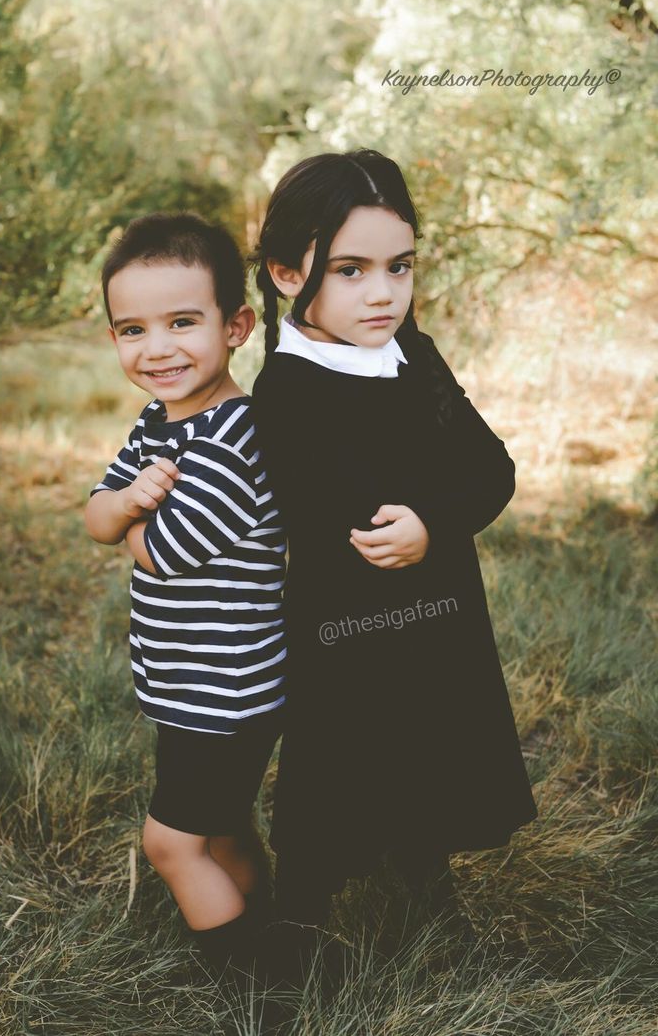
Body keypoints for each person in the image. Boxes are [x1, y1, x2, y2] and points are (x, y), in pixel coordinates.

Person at [248, 149, 539, 962]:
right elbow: (328, 506)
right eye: (349, 269)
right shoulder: (289, 388)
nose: (382, 292)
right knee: (335, 766)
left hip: (438, 610)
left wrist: (433, 523)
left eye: (399, 265)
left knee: (431, 745)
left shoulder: (417, 356)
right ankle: (301, 910)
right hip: (344, 627)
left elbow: (491, 468)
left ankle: (427, 881)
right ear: (284, 271)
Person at [84, 211, 287, 979]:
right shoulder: (157, 421)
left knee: (171, 841)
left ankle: (257, 987)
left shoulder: (236, 438)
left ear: (235, 325)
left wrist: (133, 513)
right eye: (132, 328)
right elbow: (96, 516)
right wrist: (132, 501)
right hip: (186, 683)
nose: (157, 347)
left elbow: (157, 553)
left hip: (228, 692)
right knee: (223, 826)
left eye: (181, 321)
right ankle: (270, 925)